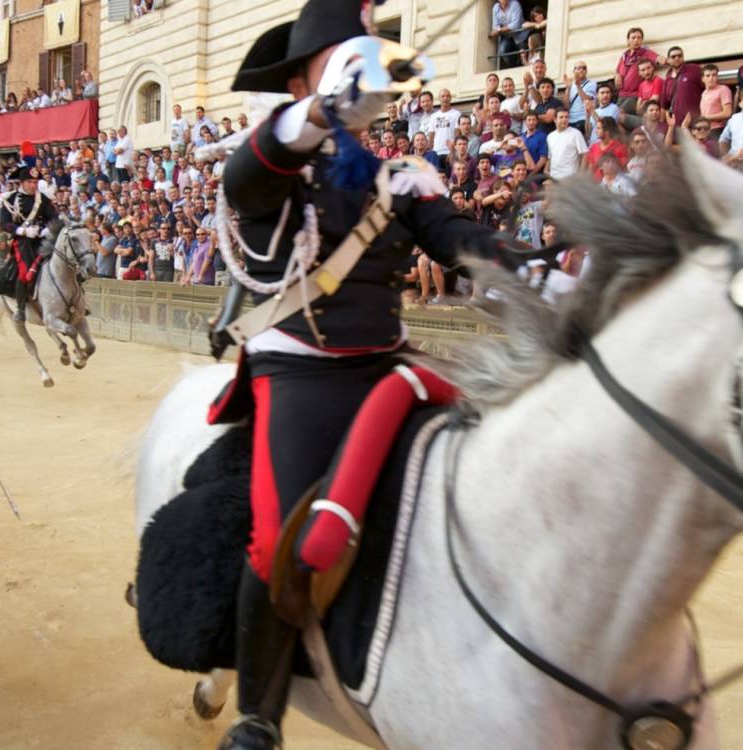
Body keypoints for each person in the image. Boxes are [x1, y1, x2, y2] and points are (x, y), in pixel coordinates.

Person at [215, 3, 521, 746]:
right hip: (301, 375)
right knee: (275, 545)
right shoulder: (273, 158)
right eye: (341, 61)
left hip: (389, 362)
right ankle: (259, 710)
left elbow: (459, 238)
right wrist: (320, 110)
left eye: (369, 62)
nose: (365, 79)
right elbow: (252, 176)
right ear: (298, 81)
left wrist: (536, 275)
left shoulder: (400, 176)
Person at [0, 166, 58, 321]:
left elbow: (54, 218)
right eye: (29, 182)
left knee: (67, 260)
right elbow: (5, 223)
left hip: (43, 239)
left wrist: (46, 230)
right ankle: (20, 307)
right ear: (21, 183)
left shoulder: (43, 199)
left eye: (35, 182)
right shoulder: (9, 199)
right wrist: (22, 231)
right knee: (25, 270)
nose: (33, 185)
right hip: (23, 242)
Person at [615, 27, 659, 113]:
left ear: (642, 40)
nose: (636, 40)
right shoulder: (624, 55)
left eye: (639, 38)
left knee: (618, 113)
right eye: (633, 38)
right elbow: (618, 70)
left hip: (634, 95)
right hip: (621, 94)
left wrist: (673, 61)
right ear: (628, 41)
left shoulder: (645, 53)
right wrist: (617, 75)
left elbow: (659, 59)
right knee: (612, 115)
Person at [660, 46, 704, 131]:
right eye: (673, 57)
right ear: (668, 60)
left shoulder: (694, 69)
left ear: (683, 57)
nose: (677, 58)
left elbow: (707, 90)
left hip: (695, 124)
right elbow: (664, 106)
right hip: (675, 126)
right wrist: (662, 125)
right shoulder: (667, 80)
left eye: (679, 56)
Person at [544, 110, 589, 180]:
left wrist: (581, 173)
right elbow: (550, 156)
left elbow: (585, 153)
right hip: (553, 177)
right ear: (555, 119)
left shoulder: (576, 133)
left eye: (566, 117)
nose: (564, 119)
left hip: (570, 178)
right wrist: (546, 170)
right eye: (561, 117)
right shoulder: (550, 136)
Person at [697, 64, 733, 130]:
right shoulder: (704, 93)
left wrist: (706, 117)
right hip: (705, 129)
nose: (711, 78)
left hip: (718, 128)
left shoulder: (723, 89)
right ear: (703, 79)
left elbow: (727, 113)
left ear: (717, 76)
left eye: (714, 75)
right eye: (708, 76)